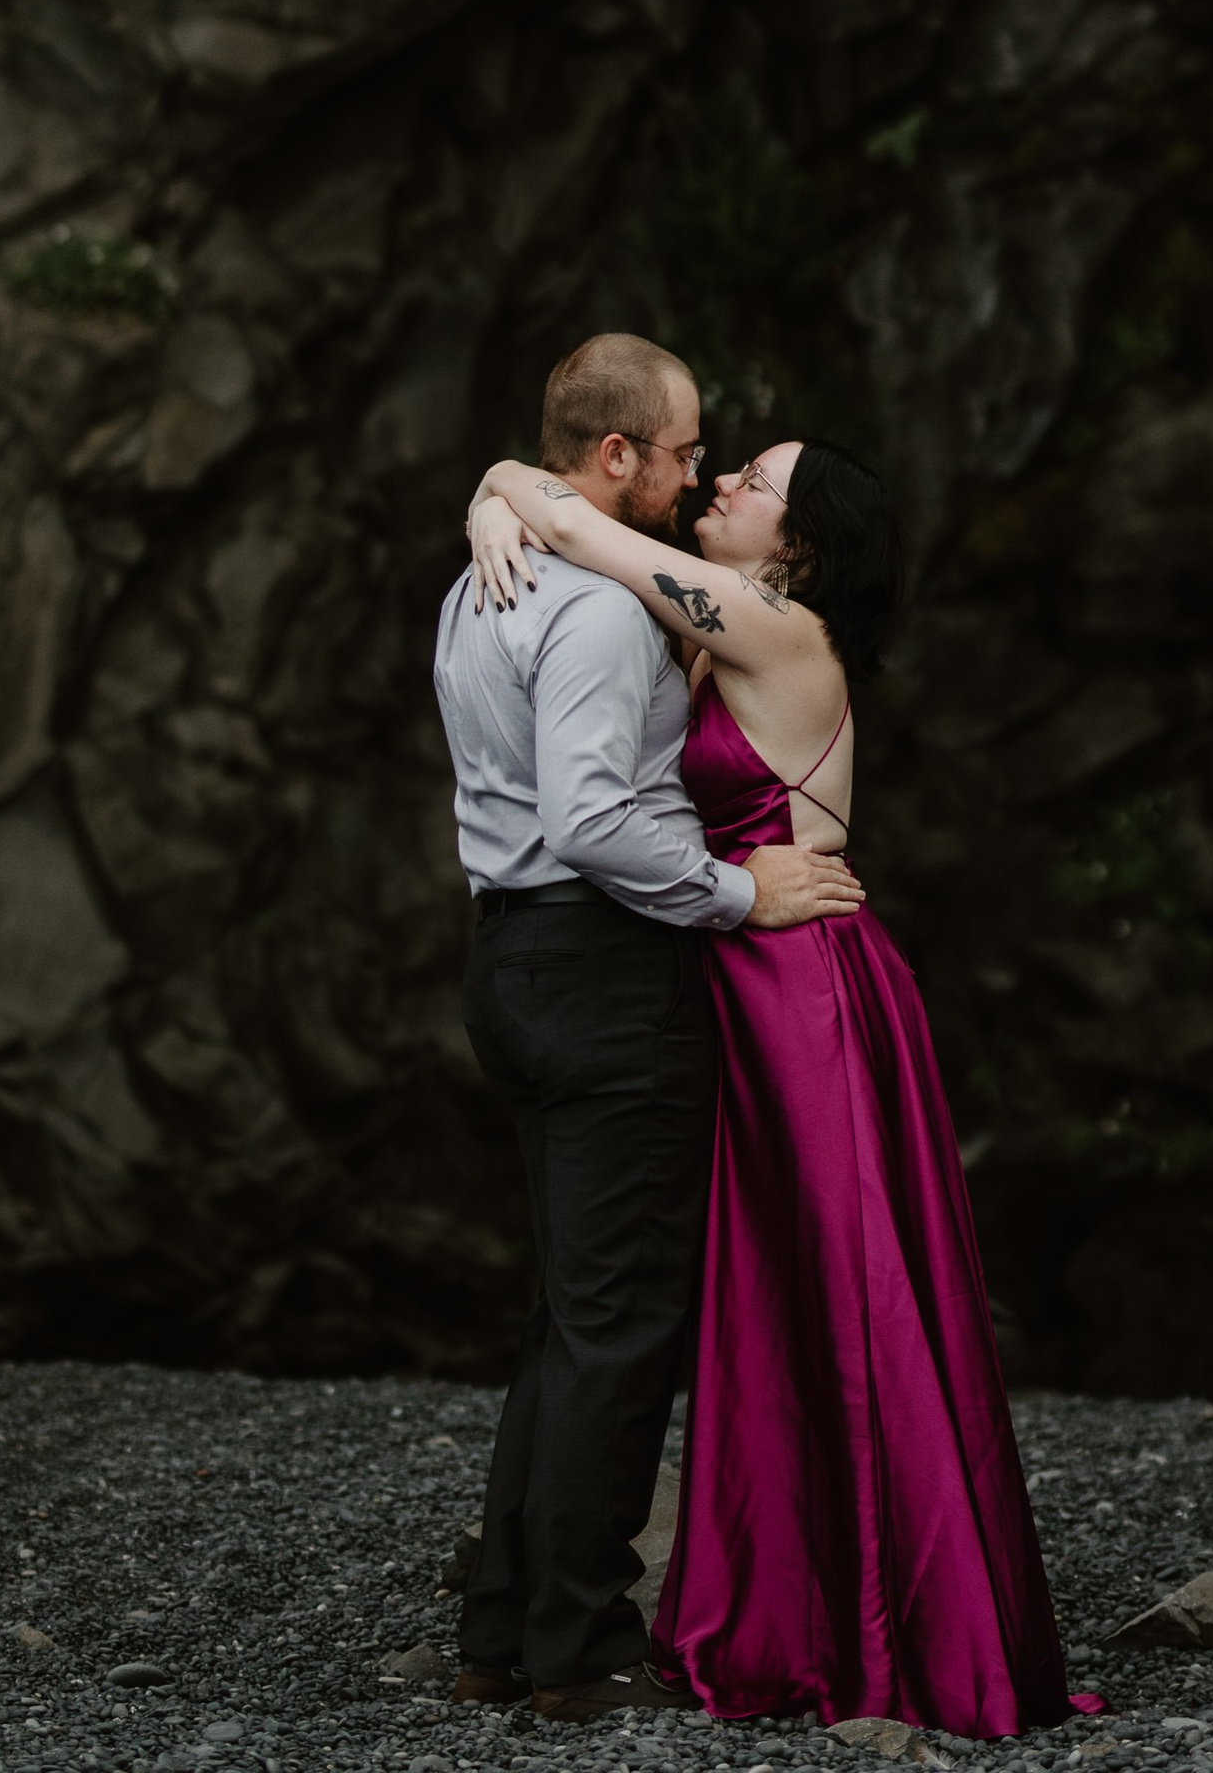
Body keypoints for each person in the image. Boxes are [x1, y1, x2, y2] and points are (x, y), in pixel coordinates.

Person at [465, 427, 1073, 1741]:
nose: (726, 479)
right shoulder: (716, 623)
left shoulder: (771, 625)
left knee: (836, 1297)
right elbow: (580, 532)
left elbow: (579, 526)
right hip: (733, 974)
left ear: (798, 545)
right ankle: (774, 1601)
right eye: (729, 464)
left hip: (801, 985)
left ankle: (873, 1621)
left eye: (757, 482)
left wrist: (507, 490)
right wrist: (498, 496)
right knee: (752, 1302)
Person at [431, 331, 866, 1725]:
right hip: (607, 971)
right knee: (620, 1331)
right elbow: (595, 819)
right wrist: (739, 891)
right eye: (685, 453)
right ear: (615, 455)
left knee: (569, 1315)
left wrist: (507, 486)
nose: (696, 478)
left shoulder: (479, 578)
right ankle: (579, 1642)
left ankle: (501, 1628)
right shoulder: (614, 610)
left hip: (508, 958)